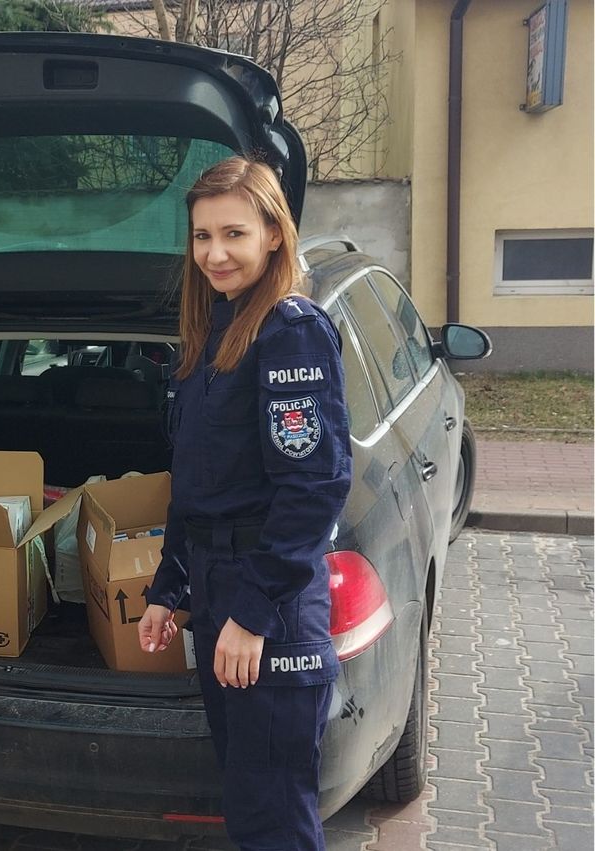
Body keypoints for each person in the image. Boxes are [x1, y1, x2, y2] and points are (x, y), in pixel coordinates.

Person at [138, 156, 352, 850]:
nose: (215, 253)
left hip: (272, 604)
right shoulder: (214, 333)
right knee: (248, 803)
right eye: (202, 236)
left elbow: (314, 488)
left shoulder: (290, 331)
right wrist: (169, 588)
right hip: (217, 587)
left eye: (234, 233)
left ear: (273, 235)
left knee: (273, 820)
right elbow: (196, 483)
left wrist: (252, 615)